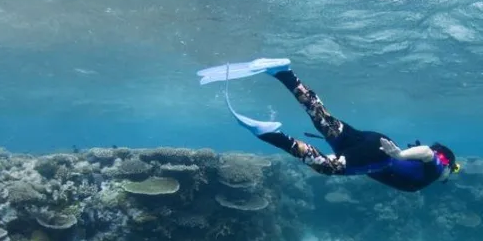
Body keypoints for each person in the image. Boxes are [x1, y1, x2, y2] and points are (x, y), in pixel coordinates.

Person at [197, 58, 461, 193]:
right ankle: (271, 135)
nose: (449, 176)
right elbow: (427, 152)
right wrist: (401, 155)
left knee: (321, 118)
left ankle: (283, 72)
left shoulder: (427, 173)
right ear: (448, 163)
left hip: (370, 143)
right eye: (454, 170)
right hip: (377, 154)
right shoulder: (436, 169)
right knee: (327, 167)